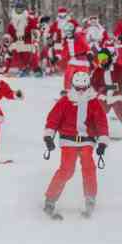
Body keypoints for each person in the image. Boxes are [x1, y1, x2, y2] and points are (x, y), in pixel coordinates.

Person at [43, 71, 109, 219]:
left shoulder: (94, 102)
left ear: (88, 86)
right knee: (67, 169)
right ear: (73, 86)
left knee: (89, 167)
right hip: (68, 140)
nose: (81, 91)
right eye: (78, 88)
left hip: (86, 140)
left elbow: (101, 122)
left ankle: (90, 198)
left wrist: (103, 141)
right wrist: (49, 136)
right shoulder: (65, 101)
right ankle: (50, 199)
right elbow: (53, 119)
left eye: (83, 88)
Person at [90, 47, 122, 137]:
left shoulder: (118, 68)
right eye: (100, 57)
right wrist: (98, 91)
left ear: (108, 57)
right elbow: (93, 84)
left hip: (117, 96)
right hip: (104, 97)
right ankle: (94, 131)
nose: (102, 60)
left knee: (118, 109)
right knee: (98, 111)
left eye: (104, 57)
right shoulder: (98, 70)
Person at [5, 0, 40, 76]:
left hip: (27, 41)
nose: (19, 10)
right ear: (15, 9)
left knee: (31, 52)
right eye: (17, 8)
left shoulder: (29, 19)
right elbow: (9, 33)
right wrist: (8, 39)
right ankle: (16, 68)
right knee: (14, 50)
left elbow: (35, 29)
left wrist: (35, 34)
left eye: (20, 9)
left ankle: (35, 69)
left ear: (23, 9)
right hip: (17, 41)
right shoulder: (12, 21)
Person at [58, 22, 91, 91]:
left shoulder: (79, 37)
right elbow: (65, 51)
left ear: (73, 31)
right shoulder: (67, 40)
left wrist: (89, 53)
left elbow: (86, 45)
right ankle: (67, 90)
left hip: (82, 60)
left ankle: (85, 91)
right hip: (73, 61)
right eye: (66, 32)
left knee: (83, 77)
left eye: (69, 32)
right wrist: (58, 57)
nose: (68, 34)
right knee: (68, 75)